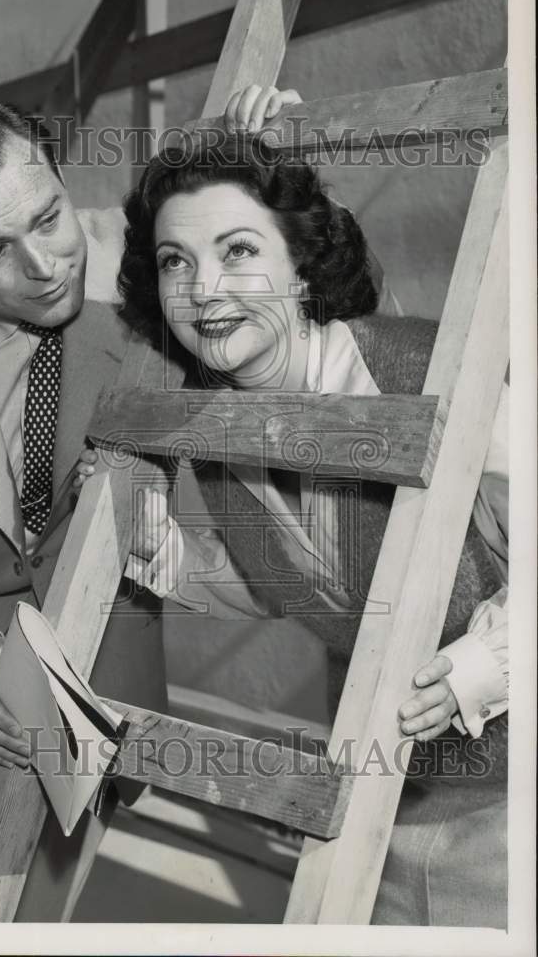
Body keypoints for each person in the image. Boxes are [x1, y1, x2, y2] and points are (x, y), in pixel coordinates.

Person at [0, 86, 304, 921]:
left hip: (96, 687)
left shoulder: (161, 283)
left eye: (47, 219)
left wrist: (267, 177)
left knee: (32, 920)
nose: (44, 266)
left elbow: (315, 323)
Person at [76, 129, 508, 926]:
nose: (203, 288)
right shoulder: (218, 429)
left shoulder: (427, 373)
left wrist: (479, 665)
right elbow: (292, 580)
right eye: (175, 260)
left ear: (300, 266)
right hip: (383, 792)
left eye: (237, 250)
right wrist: (153, 548)